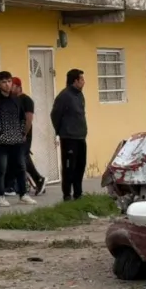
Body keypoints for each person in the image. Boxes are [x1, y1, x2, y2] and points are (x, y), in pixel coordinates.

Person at [0, 71, 36, 207]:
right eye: (4, 82)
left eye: (9, 81)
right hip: (1, 142)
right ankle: (0, 195)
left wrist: (22, 133)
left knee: (21, 167)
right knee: (1, 169)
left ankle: (23, 194)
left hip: (17, 141)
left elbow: (23, 118)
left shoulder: (16, 99)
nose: (7, 84)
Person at [51, 68, 87, 201]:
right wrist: (61, 131)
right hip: (69, 136)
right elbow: (55, 115)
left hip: (80, 136)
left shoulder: (80, 95)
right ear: (75, 81)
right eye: (81, 79)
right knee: (69, 167)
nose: (84, 82)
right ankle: (67, 194)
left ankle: (78, 193)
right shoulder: (64, 96)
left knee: (80, 165)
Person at [12, 77, 46, 195]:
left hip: (24, 134)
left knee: (23, 157)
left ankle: (38, 179)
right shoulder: (13, 100)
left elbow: (29, 119)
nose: (10, 88)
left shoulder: (26, 100)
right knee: (20, 158)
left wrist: (24, 133)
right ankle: (36, 181)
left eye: (12, 86)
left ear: (18, 87)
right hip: (13, 134)